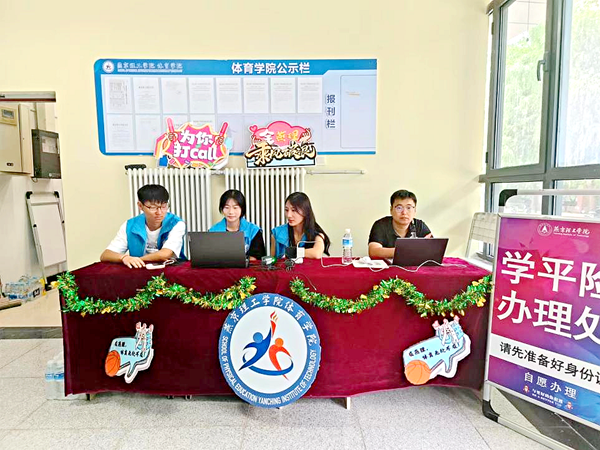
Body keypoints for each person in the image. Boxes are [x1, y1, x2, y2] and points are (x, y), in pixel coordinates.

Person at [100, 184, 186, 268]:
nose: (159, 212)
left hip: (170, 269)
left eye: (164, 206)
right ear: (140, 206)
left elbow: (165, 254)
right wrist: (124, 258)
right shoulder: (130, 225)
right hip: (140, 270)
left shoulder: (176, 224)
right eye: (153, 207)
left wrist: (136, 260)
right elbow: (106, 255)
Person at [368, 189, 432, 259]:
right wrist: (409, 250)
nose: (404, 212)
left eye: (409, 208)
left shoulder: (419, 225)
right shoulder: (381, 225)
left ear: (414, 211)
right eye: (399, 208)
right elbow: (373, 251)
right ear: (391, 210)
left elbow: (433, 249)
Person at [209, 189, 266, 261]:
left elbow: (256, 258)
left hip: (246, 268)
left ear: (242, 209)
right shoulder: (213, 231)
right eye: (226, 207)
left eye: (235, 207)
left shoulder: (254, 231)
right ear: (222, 209)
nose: (231, 212)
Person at [271, 192, 330, 259]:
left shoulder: (316, 233)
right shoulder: (277, 233)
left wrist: (292, 252)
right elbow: (272, 260)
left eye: (294, 210)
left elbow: (317, 253)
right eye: (286, 210)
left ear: (305, 211)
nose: (288, 215)